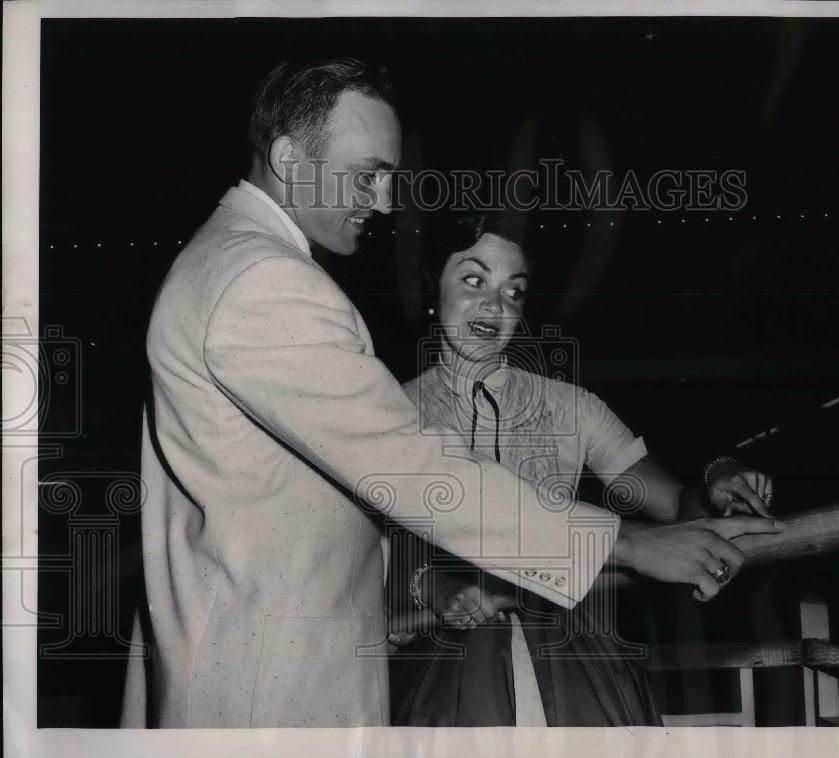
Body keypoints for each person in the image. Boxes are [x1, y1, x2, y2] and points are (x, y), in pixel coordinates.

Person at [120, 58, 785, 728]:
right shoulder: (264, 279)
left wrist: (710, 486)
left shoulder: (228, 262)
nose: (382, 202)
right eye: (368, 173)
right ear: (291, 157)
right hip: (281, 688)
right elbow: (415, 472)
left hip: (519, 674)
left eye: (514, 290)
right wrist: (628, 546)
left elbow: (326, 512)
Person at [388, 211, 776, 726]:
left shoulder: (574, 407)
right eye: (474, 279)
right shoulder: (388, 412)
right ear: (434, 291)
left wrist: (716, 482)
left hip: (578, 663)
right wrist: (434, 587)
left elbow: (673, 506)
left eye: (513, 291)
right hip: (446, 670)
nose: (493, 304)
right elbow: (374, 554)